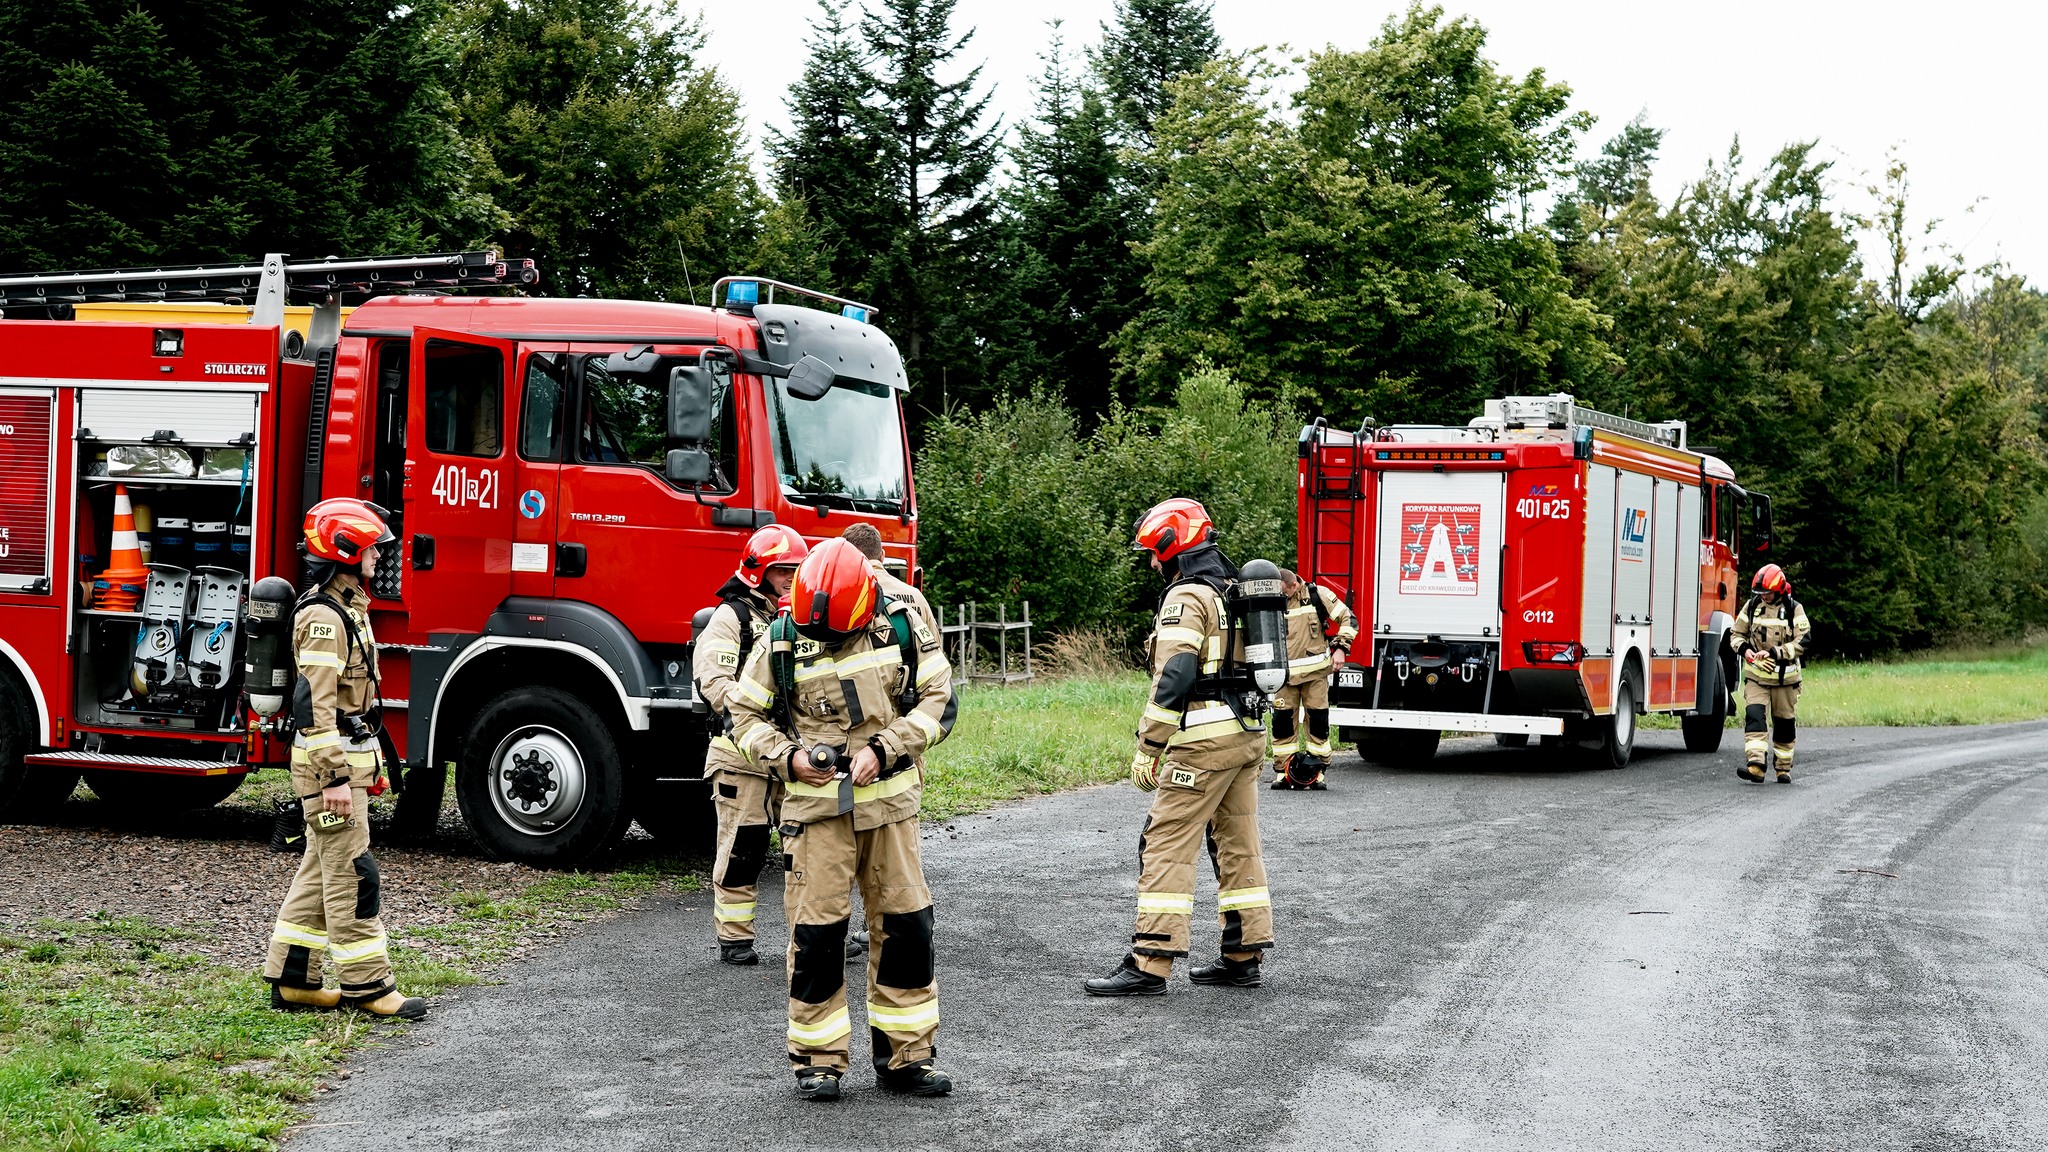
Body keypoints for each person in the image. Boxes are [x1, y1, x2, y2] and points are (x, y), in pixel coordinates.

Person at [726, 538, 957, 1101]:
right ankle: (818, 1060)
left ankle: (907, 1058)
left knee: (906, 931)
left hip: (890, 809)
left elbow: (940, 702)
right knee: (818, 937)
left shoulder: (901, 622)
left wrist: (886, 747)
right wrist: (789, 759)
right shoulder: (781, 636)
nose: (824, 640)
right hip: (816, 813)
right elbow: (743, 716)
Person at [1086, 498, 1274, 996]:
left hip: (1203, 744)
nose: (1153, 563)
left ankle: (1150, 962)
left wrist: (1149, 745)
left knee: (1165, 842)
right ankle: (1242, 956)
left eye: (1155, 553)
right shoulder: (1231, 589)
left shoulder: (1187, 596)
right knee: (1238, 844)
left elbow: (1176, 673)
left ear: (1174, 547)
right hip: (1246, 734)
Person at [263, 499, 425, 1020]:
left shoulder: (346, 607)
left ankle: (294, 980)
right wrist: (334, 778)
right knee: (353, 873)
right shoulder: (324, 618)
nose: (380, 556)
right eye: (373, 548)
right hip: (328, 771)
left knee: (320, 869)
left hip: (343, 764)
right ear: (346, 551)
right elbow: (316, 704)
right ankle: (368, 985)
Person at [695, 524, 808, 964]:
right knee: (744, 847)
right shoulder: (732, 618)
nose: (790, 579)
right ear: (758, 572)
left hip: (791, 756)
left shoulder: (802, 618)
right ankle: (735, 937)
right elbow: (715, 682)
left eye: (796, 571)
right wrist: (755, 714)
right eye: (782, 571)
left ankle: (814, 931)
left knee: (809, 849)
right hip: (741, 756)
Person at [1269, 568, 1357, 790]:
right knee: (1282, 724)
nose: (1281, 596)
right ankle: (1283, 772)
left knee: (1318, 723)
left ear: (1294, 585)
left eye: (1284, 592)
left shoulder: (1318, 595)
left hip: (1315, 675)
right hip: (1284, 677)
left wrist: (1341, 648)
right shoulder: (1274, 599)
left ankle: (1317, 772)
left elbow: (1349, 618)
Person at [1730, 563, 1811, 784]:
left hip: (1786, 681)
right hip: (1757, 678)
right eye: (1760, 592)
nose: (1763, 596)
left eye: (1767, 592)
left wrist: (1776, 653)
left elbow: (1804, 641)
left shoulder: (1794, 609)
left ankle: (1783, 768)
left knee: (1784, 725)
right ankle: (1756, 766)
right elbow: (1735, 634)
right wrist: (1745, 651)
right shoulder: (1752, 606)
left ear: (1779, 589)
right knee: (1754, 717)